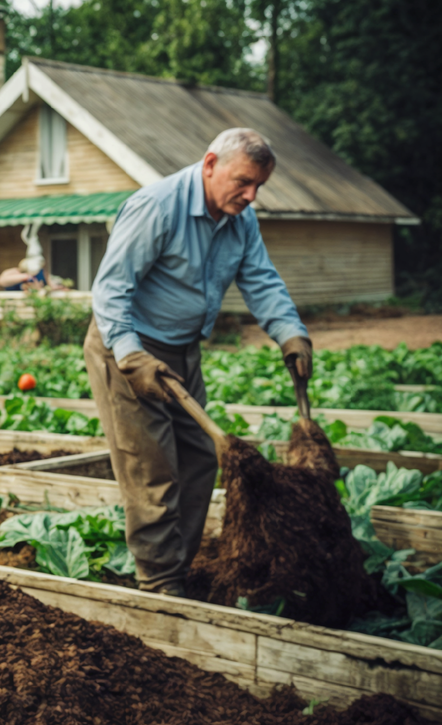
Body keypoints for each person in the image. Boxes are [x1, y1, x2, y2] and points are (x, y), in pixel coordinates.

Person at [83, 128, 313, 597]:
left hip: (182, 352)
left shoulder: (239, 220)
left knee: (197, 459)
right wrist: (130, 355)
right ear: (210, 164)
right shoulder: (158, 206)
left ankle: (178, 569)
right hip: (127, 349)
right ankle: (160, 582)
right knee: (151, 467)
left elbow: (261, 280)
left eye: (258, 188)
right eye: (243, 182)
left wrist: (290, 333)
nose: (250, 196)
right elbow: (110, 289)